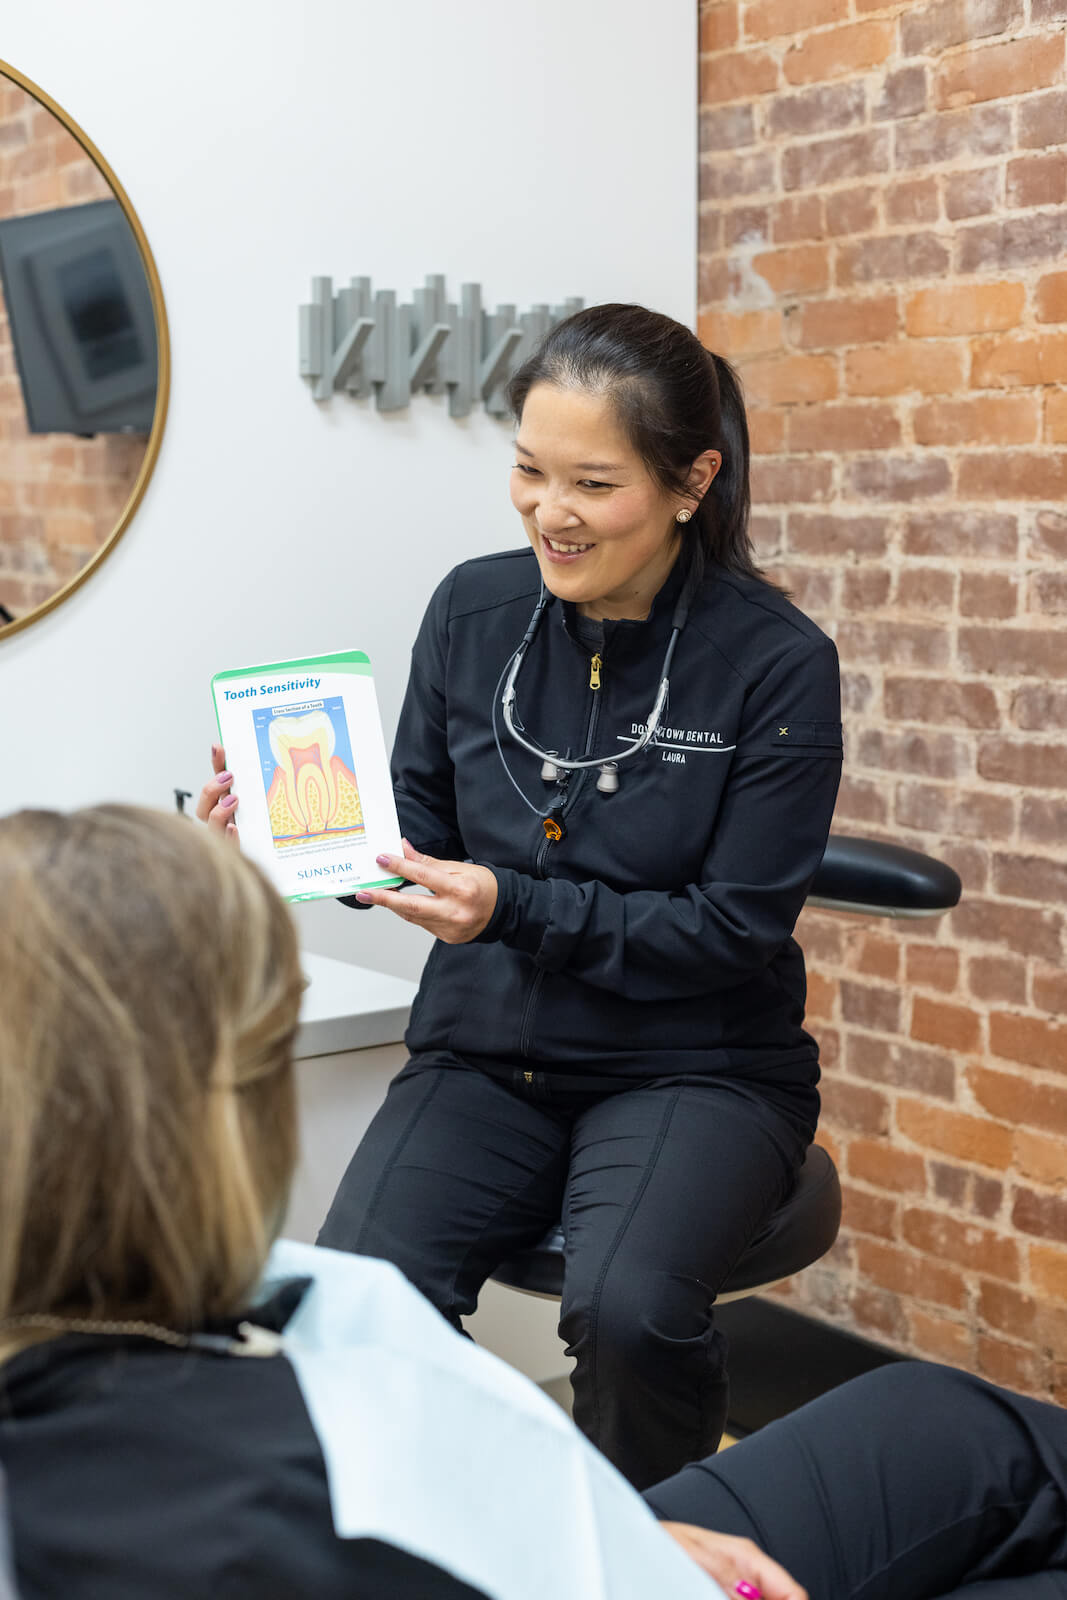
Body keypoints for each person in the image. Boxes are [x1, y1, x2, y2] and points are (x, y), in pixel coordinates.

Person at [3, 807, 1067, 1600]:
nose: (553, 508)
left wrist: (613, 1522)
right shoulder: (290, 1494)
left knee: (933, 1425)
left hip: (562, 1535)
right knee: (984, 1461)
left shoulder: (212, 1382)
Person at [201, 303, 844, 1490]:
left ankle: (649, 1546)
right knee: (350, 1301)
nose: (549, 509)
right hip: (486, 1052)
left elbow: (731, 927)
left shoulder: (775, 661)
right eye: (528, 469)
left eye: (591, 482)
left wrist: (509, 908)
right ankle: (439, 1544)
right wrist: (306, 831)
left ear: (691, 479)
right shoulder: (472, 608)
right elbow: (419, 838)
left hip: (693, 1065)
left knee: (628, 1309)